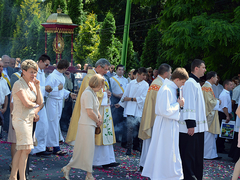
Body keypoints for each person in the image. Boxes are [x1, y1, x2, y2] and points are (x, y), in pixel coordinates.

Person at [66, 58, 119, 169]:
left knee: (105, 135)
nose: (106, 72)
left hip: (104, 109)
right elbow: (90, 94)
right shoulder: (89, 77)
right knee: (97, 135)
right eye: (105, 69)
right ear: (98, 67)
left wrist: (107, 93)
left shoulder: (102, 77)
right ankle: (97, 160)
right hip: (96, 110)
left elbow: (102, 91)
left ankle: (108, 159)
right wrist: (105, 94)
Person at [142, 67, 188, 180]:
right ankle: (161, 174)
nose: (183, 85)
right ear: (177, 79)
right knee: (165, 149)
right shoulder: (166, 89)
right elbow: (163, 110)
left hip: (169, 123)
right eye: (182, 82)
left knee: (169, 150)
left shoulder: (171, 88)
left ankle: (167, 174)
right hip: (165, 124)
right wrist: (179, 104)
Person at [61, 74, 104, 180]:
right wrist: (97, 120)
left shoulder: (92, 92)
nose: (101, 88)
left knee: (88, 150)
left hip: (89, 124)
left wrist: (99, 116)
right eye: (101, 85)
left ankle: (88, 173)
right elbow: (89, 112)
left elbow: (95, 109)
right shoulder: (88, 93)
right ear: (96, 84)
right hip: (86, 125)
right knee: (84, 150)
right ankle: (74, 169)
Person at [9, 59, 43, 180]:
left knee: (23, 149)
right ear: (23, 71)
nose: (34, 74)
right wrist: (34, 105)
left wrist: (38, 87)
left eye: (35, 72)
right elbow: (27, 103)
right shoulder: (18, 84)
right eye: (31, 72)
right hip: (20, 119)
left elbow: (40, 102)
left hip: (29, 120)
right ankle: (20, 177)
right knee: (26, 148)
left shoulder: (33, 84)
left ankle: (14, 176)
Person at [138, 63, 171, 171]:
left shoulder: (157, 83)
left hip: (152, 116)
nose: (171, 75)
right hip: (155, 118)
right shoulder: (158, 85)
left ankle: (145, 164)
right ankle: (147, 165)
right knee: (151, 142)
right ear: (166, 73)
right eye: (170, 72)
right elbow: (160, 104)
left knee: (149, 143)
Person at [179, 59, 208, 180]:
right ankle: (188, 176)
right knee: (189, 154)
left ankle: (195, 175)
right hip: (191, 127)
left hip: (197, 127)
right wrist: (190, 124)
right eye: (203, 67)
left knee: (195, 154)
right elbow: (189, 104)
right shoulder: (190, 83)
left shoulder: (196, 83)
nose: (205, 70)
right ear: (196, 68)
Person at [45, 59, 76, 156]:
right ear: (64, 68)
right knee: (53, 123)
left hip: (58, 102)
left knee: (55, 123)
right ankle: (55, 147)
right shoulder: (52, 76)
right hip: (52, 101)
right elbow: (46, 90)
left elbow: (62, 90)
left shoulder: (61, 76)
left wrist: (69, 93)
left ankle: (48, 145)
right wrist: (56, 89)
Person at [117, 67, 149, 155]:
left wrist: (130, 99)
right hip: (130, 109)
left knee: (139, 129)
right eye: (143, 75)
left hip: (139, 110)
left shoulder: (146, 85)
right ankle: (129, 148)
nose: (144, 77)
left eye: (145, 76)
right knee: (129, 130)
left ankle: (139, 147)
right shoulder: (131, 83)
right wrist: (120, 103)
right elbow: (125, 95)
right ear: (138, 74)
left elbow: (143, 98)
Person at [31, 54, 52, 157]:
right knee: (39, 125)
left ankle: (41, 147)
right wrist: (45, 88)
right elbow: (33, 86)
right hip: (35, 102)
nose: (47, 67)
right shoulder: (34, 71)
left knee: (43, 125)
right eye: (46, 64)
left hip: (41, 101)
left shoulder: (42, 72)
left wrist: (46, 89)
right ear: (40, 61)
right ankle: (36, 148)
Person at [202, 71, 221, 160]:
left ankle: (212, 154)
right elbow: (209, 102)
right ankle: (207, 154)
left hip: (211, 114)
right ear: (212, 78)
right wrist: (218, 101)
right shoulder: (206, 88)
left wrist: (216, 100)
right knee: (208, 135)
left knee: (211, 136)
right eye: (216, 77)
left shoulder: (208, 87)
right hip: (208, 114)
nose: (217, 79)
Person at [110, 65, 128, 142]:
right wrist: (117, 95)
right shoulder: (112, 79)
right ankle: (114, 137)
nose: (121, 71)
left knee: (122, 119)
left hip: (123, 102)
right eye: (119, 69)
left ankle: (120, 137)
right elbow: (109, 91)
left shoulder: (126, 80)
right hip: (115, 100)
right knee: (115, 119)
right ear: (116, 70)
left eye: (122, 70)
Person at [216, 79, 233, 153]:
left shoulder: (227, 93)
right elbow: (224, 107)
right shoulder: (224, 94)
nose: (232, 86)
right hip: (222, 114)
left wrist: (230, 113)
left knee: (224, 131)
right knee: (222, 131)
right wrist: (227, 116)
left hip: (225, 113)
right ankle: (219, 148)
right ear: (226, 85)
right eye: (231, 85)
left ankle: (221, 147)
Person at [2, 55, 15, 132]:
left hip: (9, 94)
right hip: (2, 93)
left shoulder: (11, 70)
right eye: (5, 62)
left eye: (8, 62)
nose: (6, 64)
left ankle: (6, 129)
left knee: (7, 112)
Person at [0, 60, 11, 138]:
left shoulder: (3, 80)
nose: (1, 68)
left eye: (2, 67)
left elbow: (6, 95)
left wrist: (4, 108)